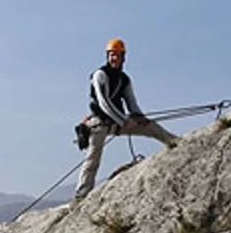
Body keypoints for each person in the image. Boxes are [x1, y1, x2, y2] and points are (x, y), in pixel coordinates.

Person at [74, 38, 178, 201]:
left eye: (118, 55)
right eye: (112, 55)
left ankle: (176, 143)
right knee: (93, 158)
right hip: (100, 124)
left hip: (118, 122)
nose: (115, 58)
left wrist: (141, 119)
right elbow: (104, 102)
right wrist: (124, 121)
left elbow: (132, 103)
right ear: (108, 56)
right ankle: (81, 196)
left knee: (153, 128)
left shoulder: (125, 79)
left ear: (124, 57)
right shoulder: (100, 75)